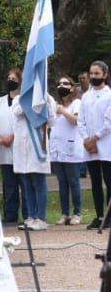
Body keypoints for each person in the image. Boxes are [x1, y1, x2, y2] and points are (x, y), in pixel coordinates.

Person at [12, 82, 56, 230]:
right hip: (22, 147)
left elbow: (52, 121)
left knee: (38, 182)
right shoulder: (19, 98)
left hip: (37, 145)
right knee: (26, 183)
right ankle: (31, 216)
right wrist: (31, 100)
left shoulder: (47, 98)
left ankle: (41, 218)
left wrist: (45, 101)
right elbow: (17, 112)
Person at [0, 70, 24, 225]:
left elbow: (24, 122)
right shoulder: (0, 101)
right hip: (3, 147)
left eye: (14, 78)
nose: (10, 80)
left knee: (24, 183)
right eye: (8, 78)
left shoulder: (23, 99)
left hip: (20, 146)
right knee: (8, 184)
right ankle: (10, 215)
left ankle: (28, 214)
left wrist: (12, 136)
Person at [80, 61, 111, 229]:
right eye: (91, 73)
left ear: (105, 75)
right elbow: (81, 120)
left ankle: (109, 217)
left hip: (105, 144)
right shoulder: (86, 96)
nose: (93, 76)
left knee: (109, 180)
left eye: (97, 73)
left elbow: (108, 122)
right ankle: (99, 216)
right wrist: (86, 139)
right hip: (89, 146)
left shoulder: (109, 95)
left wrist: (95, 138)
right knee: (95, 182)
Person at [52, 77, 85, 225]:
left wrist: (63, 111)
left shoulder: (76, 103)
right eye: (59, 83)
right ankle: (65, 213)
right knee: (62, 183)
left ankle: (77, 213)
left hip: (72, 149)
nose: (61, 86)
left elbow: (76, 121)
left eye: (65, 83)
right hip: (57, 149)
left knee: (73, 182)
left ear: (72, 87)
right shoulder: (55, 105)